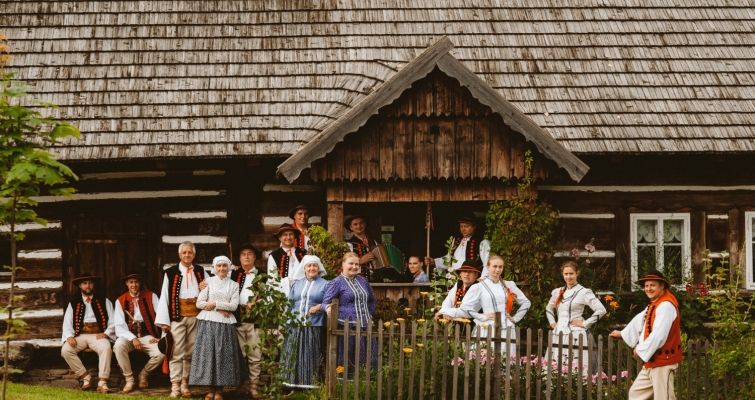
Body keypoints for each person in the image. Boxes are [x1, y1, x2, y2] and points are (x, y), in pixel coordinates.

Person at [610, 270, 682, 400]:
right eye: (647, 286)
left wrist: (641, 350)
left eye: (653, 285)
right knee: (636, 395)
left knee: (664, 398)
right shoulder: (655, 304)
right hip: (652, 362)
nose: (649, 288)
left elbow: (659, 335)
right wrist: (623, 333)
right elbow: (641, 319)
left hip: (663, 362)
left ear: (662, 286)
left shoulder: (666, 305)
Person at [437, 255, 530, 355]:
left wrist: (515, 318)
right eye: (495, 266)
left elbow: (526, 303)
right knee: (485, 362)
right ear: (488, 267)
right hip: (486, 327)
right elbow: (466, 310)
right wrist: (443, 311)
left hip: (506, 328)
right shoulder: (479, 287)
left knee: (506, 362)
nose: (498, 270)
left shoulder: (509, 285)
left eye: (500, 267)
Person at [155, 241, 209, 398]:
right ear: (179, 255)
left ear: (194, 254)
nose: (187, 255)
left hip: (196, 316)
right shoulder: (170, 273)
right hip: (177, 318)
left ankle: (185, 384)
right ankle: (175, 386)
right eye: (184, 252)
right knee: (175, 352)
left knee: (190, 352)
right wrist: (165, 321)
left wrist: (204, 288)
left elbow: (210, 290)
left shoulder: (200, 271)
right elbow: (165, 296)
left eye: (190, 252)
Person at [190, 255, 242, 400]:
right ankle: (210, 389)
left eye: (224, 266)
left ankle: (219, 390)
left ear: (228, 267)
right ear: (214, 268)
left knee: (222, 356)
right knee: (208, 355)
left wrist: (215, 305)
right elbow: (199, 303)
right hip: (208, 322)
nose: (221, 269)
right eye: (218, 266)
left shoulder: (233, 285)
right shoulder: (209, 282)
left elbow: (233, 305)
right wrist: (217, 307)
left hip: (225, 325)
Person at [545, 261, 606, 371]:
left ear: (577, 273)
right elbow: (548, 308)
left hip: (576, 335)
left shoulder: (584, 292)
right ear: (563, 275)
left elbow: (601, 310)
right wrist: (552, 323)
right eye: (566, 274)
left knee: (575, 367)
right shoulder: (558, 292)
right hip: (558, 333)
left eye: (571, 273)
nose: (568, 277)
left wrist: (585, 323)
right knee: (556, 367)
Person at [60, 273, 115, 393]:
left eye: (90, 283)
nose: (88, 286)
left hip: (98, 334)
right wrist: (69, 336)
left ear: (93, 284)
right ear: (80, 285)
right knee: (66, 350)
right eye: (85, 283)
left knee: (106, 347)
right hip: (80, 335)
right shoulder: (74, 302)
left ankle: (102, 382)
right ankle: (86, 377)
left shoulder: (104, 300)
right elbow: (67, 321)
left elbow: (113, 320)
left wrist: (106, 333)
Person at [323, 252, 377, 374]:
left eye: (357, 264)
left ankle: (366, 382)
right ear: (343, 264)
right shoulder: (336, 282)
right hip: (347, 327)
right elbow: (324, 303)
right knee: (349, 357)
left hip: (366, 325)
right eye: (350, 263)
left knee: (368, 356)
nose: (354, 266)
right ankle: (346, 385)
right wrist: (330, 310)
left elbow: (372, 300)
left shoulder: (363, 281)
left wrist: (368, 314)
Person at [282, 255, 329, 389]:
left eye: (315, 265)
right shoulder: (297, 283)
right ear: (304, 269)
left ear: (319, 268)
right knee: (293, 354)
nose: (312, 268)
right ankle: (291, 385)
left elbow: (327, 303)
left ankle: (309, 385)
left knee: (309, 354)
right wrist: (286, 321)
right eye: (309, 266)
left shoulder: (325, 284)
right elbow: (290, 303)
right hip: (294, 324)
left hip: (313, 325)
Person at [113, 272, 164, 393]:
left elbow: (162, 317)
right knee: (118, 346)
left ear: (140, 283)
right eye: (131, 282)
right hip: (128, 336)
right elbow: (119, 326)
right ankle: (129, 379)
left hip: (147, 335)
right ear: (127, 284)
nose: (134, 285)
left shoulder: (151, 296)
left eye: (136, 282)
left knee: (161, 352)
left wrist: (161, 338)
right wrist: (132, 338)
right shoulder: (120, 300)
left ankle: (143, 374)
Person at [231, 243, 263, 399]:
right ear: (239, 258)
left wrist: (257, 304)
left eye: (249, 254)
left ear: (255, 257)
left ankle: (254, 386)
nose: (246, 256)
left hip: (255, 321)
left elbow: (270, 297)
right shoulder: (234, 275)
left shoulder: (263, 275)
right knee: (239, 355)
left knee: (255, 355)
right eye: (243, 254)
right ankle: (241, 385)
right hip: (237, 320)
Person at [425, 216, 491, 277]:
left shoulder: (482, 243)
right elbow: (449, 259)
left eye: (466, 226)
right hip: (455, 277)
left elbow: (487, 262)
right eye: (461, 226)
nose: (463, 229)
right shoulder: (457, 242)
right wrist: (434, 261)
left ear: (474, 227)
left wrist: (483, 278)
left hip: (471, 278)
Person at [267, 223, 307, 296]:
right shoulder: (274, 256)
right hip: (282, 294)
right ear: (280, 238)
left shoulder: (303, 253)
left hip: (302, 292)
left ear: (294, 236)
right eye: (285, 235)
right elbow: (272, 279)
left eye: (291, 234)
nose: (288, 237)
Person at [344, 215, 379, 281]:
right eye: (355, 224)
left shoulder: (374, 242)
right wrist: (360, 261)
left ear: (365, 224)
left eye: (361, 223)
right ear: (351, 227)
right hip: (357, 281)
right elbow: (344, 266)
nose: (359, 226)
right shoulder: (348, 244)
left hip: (377, 280)